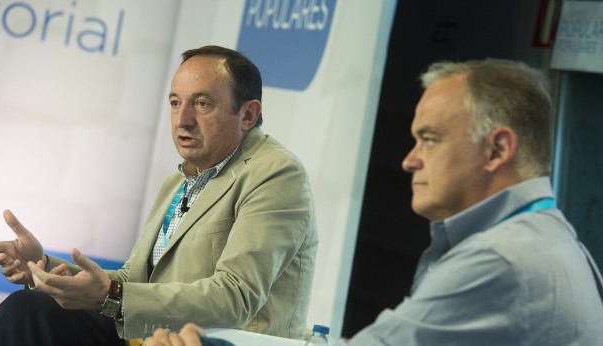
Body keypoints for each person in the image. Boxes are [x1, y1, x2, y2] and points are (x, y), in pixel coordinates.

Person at [137, 59, 603, 346]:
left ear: (498, 150)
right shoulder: (550, 237)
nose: (409, 160)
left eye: (430, 139)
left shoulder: (501, 261)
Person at [0, 45, 318, 345]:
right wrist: (44, 268)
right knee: (29, 311)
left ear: (248, 114)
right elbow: (132, 280)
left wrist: (113, 295)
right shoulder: (181, 179)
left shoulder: (275, 174)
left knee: (31, 314)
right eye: (175, 102)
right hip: (151, 337)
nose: (182, 120)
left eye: (202, 103)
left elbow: (235, 297)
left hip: (216, 342)